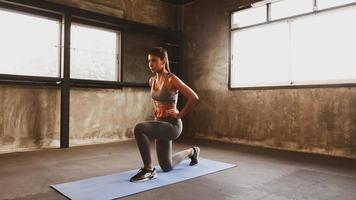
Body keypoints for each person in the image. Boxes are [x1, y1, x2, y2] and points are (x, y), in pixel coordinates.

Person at [130, 46, 200, 182]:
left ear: (163, 61)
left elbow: (193, 97)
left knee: (139, 128)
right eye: (149, 61)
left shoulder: (171, 79)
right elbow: (159, 101)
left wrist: (179, 114)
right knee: (166, 166)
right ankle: (192, 152)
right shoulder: (152, 80)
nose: (151, 64)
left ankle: (148, 170)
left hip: (171, 126)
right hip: (159, 124)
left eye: (154, 61)